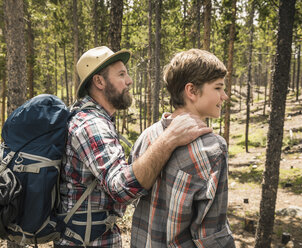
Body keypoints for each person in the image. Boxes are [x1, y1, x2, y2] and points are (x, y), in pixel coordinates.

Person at [54, 46, 212, 248]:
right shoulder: (91, 125)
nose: (129, 81)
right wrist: (169, 138)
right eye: (121, 74)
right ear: (99, 81)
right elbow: (121, 189)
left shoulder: (91, 118)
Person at [130, 49, 236, 247]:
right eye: (218, 88)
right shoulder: (212, 148)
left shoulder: (148, 135)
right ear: (192, 91)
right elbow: (211, 233)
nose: (225, 96)